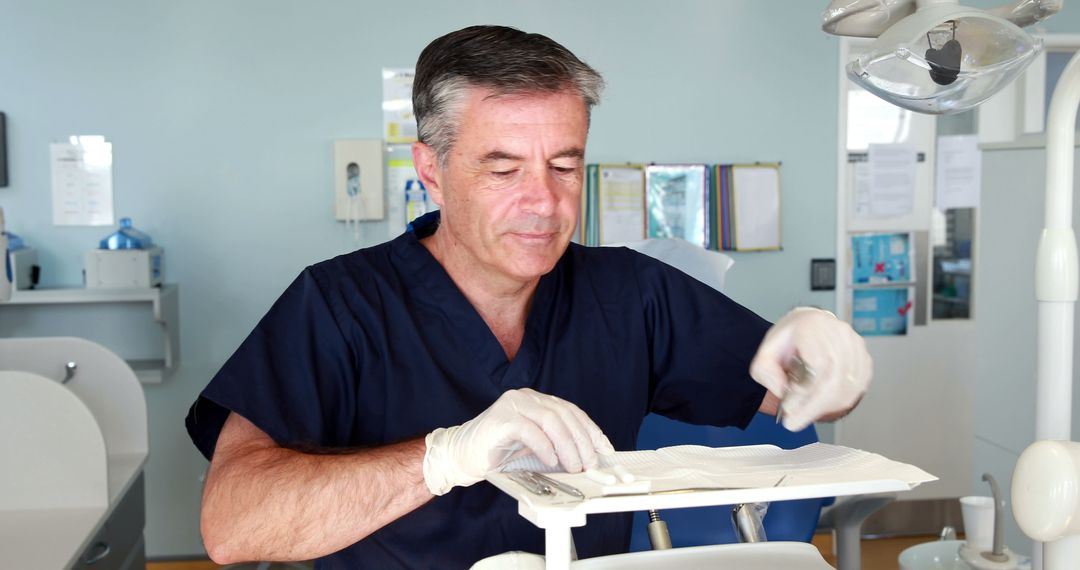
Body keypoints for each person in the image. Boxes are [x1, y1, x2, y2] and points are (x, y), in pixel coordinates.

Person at [185, 25, 871, 569]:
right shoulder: (339, 308)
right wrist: (445, 456)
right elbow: (233, 524)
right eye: (503, 168)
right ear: (432, 170)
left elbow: (798, 393)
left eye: (565, 166)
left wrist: (821, 353)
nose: (543, 202)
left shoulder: (632, 295)